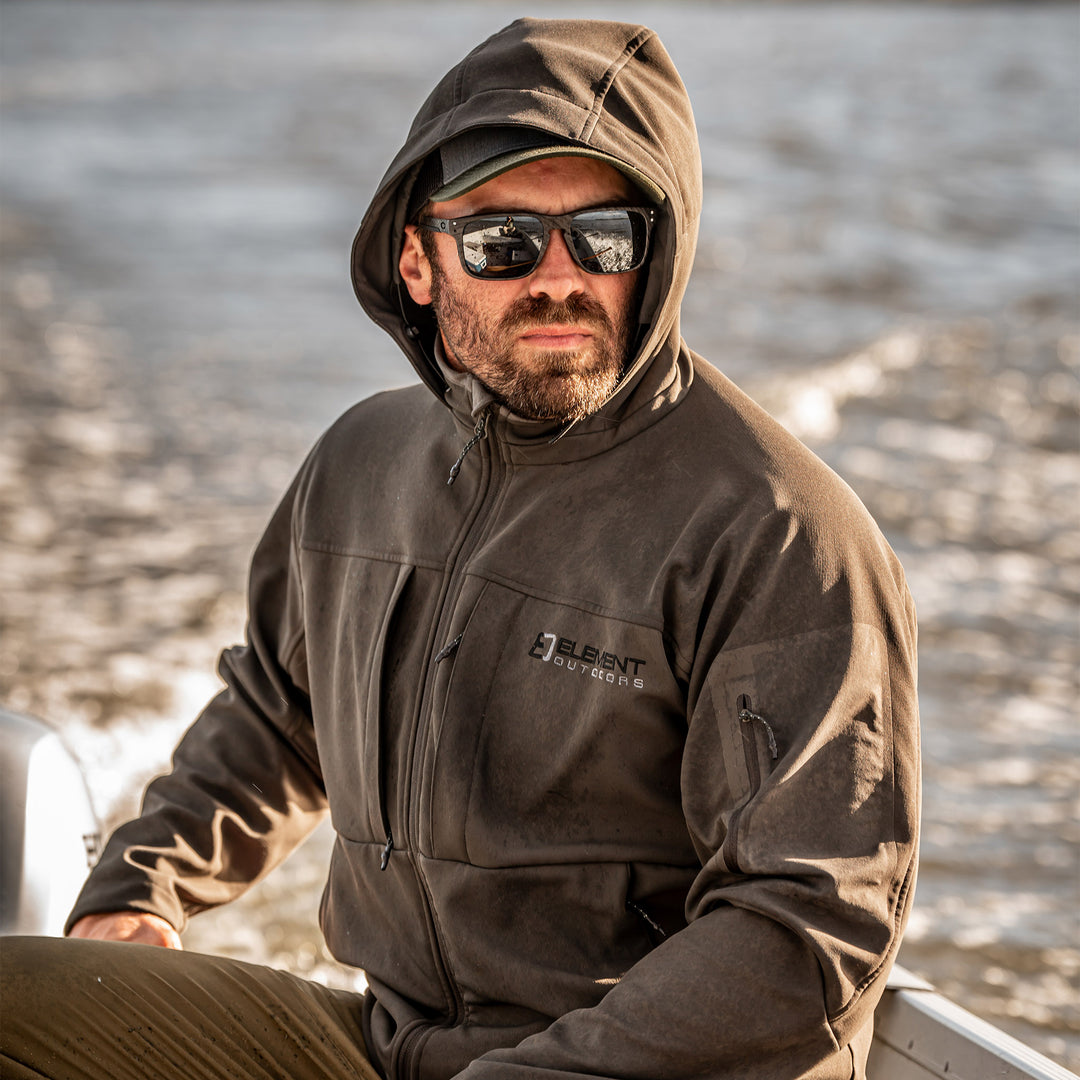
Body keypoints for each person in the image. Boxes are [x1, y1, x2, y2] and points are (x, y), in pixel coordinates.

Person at [1, 17, 920, 1080]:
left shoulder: (782, 535)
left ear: (653, 255)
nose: (561, 279)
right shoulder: (361, 462)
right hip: (390, 1046)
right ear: (418, 259)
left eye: (604, 239)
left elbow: (809, 928)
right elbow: (278, 714)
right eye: (503, 243)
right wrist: (142, 888)